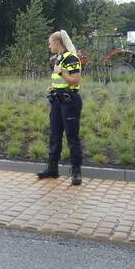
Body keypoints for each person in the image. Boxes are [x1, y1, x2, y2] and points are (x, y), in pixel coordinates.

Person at [38, 30, 83, 185]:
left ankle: (76, 172)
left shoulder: (71, 58)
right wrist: (52, 87)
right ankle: (52, 168)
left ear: (57, 43)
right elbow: (59, 79)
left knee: (72, 136)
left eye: (50, 43)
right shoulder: (59, 58)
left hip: (69, 102)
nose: (49, 45)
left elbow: (76, 80)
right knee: (54, 135)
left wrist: (62, 73)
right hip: (57, 101)